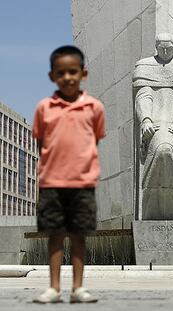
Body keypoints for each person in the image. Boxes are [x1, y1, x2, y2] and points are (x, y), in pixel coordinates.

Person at [32, 46, 105, 304]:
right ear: (52, 76)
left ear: (83, 73)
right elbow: (42, 142)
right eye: (61, 73)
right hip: (51, 183)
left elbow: (93, 140)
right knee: (55, 235)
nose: (67, 77)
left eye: (72, 71)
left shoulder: (94, 108)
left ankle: (78, 288)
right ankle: (54, 288)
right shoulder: (44, 108)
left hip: (83, 184)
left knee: (78, 236)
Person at [133, 32, 173, 220]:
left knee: (168, 149)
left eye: (168, 48)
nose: (164, 50)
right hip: (154, 125)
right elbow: (144, 95)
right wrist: (145, 120)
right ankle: (150, 207)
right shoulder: (145, 66)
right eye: (161, 47)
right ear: (156, 47)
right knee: (162, 148)